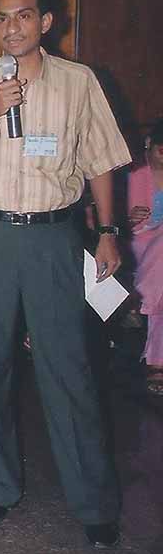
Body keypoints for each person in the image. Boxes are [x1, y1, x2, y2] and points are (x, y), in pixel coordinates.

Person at [0, 0, 129, 548]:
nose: (11, 27)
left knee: (68, 368)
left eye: (23, 15)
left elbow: (100, 161)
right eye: (1, 18)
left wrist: (108, 233)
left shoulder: (78, 82)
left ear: (45, 22)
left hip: (53, 238)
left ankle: (94, 503)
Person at [126, 119, 163, 396]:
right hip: (135, 246)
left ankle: (143, 302)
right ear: (149, 145)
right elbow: (102, 220)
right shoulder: (134, 175)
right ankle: (157, 363)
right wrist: (129, 219)